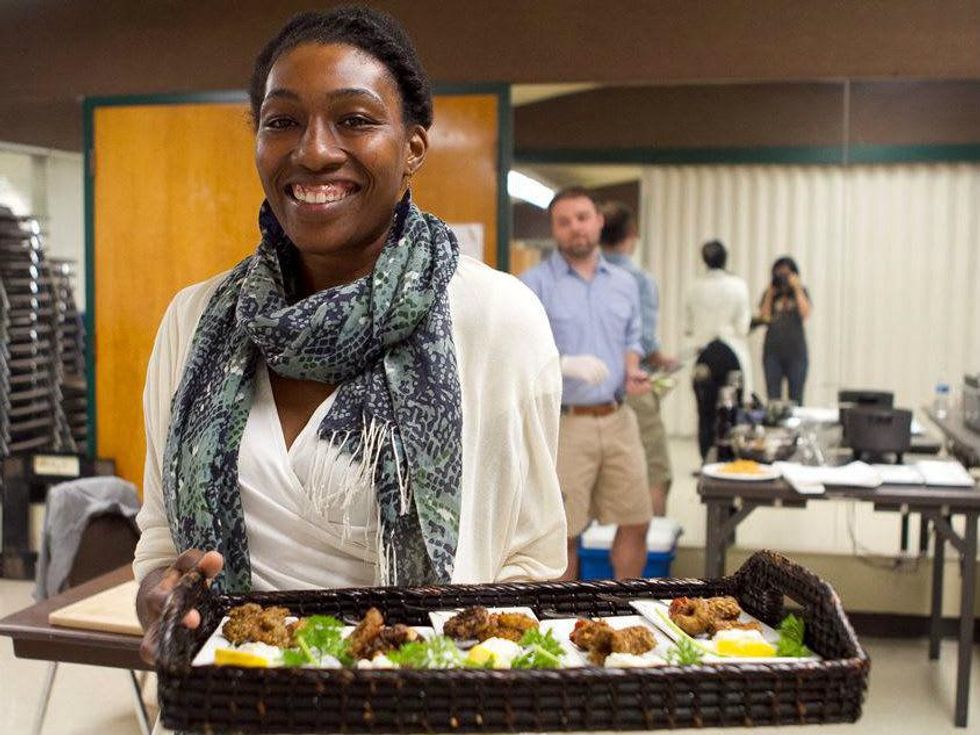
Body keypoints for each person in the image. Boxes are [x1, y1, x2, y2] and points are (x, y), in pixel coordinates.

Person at [134, 6, 566, 668]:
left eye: (354, 120)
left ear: (414, 146)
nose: (313, 149)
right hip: (232, 702)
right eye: (281, 121)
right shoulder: (194, 321)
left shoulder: (498, 320)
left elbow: (531, 560)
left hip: (426, 709)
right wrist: (159, 594)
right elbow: (163, 537)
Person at [521, 187, 653, 581]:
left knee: (637, 521)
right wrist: (563, 364)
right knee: (563, 533)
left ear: (598, 221)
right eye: (564, 222)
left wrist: (631, 367)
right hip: (566, 423)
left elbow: (633, 337)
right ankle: (566, 620)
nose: (575, 228)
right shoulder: (533, 285)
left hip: (618, 418)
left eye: (582, 217)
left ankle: (626, 609)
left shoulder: (625, 283)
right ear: (554, 230)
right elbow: (518, 355)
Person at [599, 201, 675, 516]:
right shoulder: (639, 279)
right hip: (632, 386)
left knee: (601, 474)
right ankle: (651, 548)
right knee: (655, 470)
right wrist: (661, 358)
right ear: (632, 234)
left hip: (589, 390)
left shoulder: (587, 273)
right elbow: (642, 339)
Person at [684, 240, 752, 460]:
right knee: (732, 411)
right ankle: (731, 458)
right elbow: (743, 326)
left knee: (705, 412)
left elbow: (688, 327)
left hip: (704, 355)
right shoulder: (738, 285)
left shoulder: (693, 287)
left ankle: (706, 460)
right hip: (732, 354)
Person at [759, 255, 811, 405]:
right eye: (779, 273)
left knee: (796, 398)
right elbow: (764, 317)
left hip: (797, 354)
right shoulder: (770, 294)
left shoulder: (801, 292)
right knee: (773, 398)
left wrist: (797, 288)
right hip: (772, 354)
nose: (783, 277)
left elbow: (805, 313)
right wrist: (770, 293)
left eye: (786, 274)